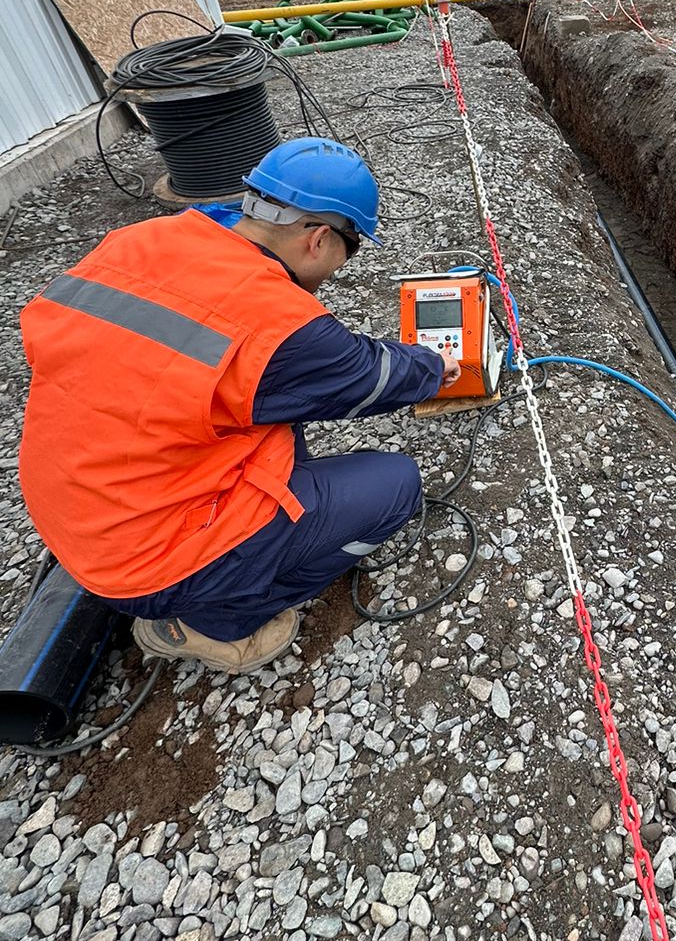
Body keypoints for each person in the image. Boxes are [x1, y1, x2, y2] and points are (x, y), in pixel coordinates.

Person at [18, 138, 460, 674]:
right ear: (319, 239)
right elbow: (372, 376)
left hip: (73, 513)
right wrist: (438, 367)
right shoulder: (279, 325)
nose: (342, 265)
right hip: (151, 560)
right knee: (397, 485)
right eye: (352, 247)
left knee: (273, 420)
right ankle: (218, 619)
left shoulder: (139, 240)